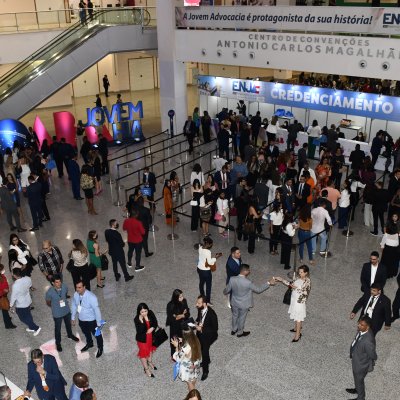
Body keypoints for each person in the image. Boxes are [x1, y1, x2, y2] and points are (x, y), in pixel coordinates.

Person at [223, 264, 275, 337]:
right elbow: (258, 290)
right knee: (242, 317)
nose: (249, 271)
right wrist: (268, 283)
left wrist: (224, 292)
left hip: (234, 302)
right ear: (244, 271)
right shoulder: (248, 282)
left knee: (234, 315)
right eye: (248, 270)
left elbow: (227, 290)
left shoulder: (232, 279)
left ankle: (234, 329)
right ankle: (240, 332)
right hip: (244, 304)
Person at [276, 265, 311, 342]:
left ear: (306, 273)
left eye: (301, 272)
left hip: (299, 303)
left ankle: (297, 335)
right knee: (297, 315)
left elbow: (293, 286)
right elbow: (293, 282)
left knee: (298, 318)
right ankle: (296, 328)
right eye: (299, 272)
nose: (300, 273)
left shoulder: (306, 282)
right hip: (295, 299)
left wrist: (282, 280)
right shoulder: (301, 278)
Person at [346, 315, 377, 400]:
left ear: (368, 326)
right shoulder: (362, 331)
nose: (359, 326)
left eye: (361, 325)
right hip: (357, 360)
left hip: (361, 365)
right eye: (359, 323)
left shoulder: (367, 341)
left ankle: (361, 397)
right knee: (357, 380)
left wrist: (369, 361)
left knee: (359, 381)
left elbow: (373, 354)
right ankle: (357, 389)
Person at [45, 275, 79, 352]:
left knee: (68, 324)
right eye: (57, 282)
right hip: (57, 313)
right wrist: (55, 306)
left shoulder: (64, 286)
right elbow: (48, 302)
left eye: (60, 281)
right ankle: (58, 343)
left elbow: (65, 294)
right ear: (53, 283)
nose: (59, 283)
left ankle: (70, 335)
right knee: (58, 328)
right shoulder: (49, 292)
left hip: (66, 310)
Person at [71, 281, 104, 358]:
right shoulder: (76, 294)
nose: (77, 289)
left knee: (97, 335)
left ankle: (100, 348)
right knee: (86, 332)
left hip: (91, 321)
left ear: (84, 287)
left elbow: (97, 310)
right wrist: (72, 317)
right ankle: (90, 343)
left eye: (79, 287)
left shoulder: (92, 297)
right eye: (76, 287)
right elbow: (74, 305)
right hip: (81, 319)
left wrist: (99, 323)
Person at [9, 268, 41, 335]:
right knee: (28, 314)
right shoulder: (27, 278)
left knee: (22, 318)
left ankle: (36, 328)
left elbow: (13, 296)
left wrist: (10, 305)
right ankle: (31, 327)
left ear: (14, 275)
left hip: (21, 304)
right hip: (28, 300)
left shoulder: (15, 285)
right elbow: (30, 286)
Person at [195, 295, 218, 381]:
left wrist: (202, 328)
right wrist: (196, 322)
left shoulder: (212, 314)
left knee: (204, 352)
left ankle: (205, 371)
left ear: (204, 304)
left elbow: (215, 328)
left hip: (208, 336)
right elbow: (199, 318)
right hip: (200, 334)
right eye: (197, 302)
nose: (196, 304)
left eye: (198, 303)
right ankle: (207, 361)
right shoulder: (200, 309)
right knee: (201, 349)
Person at [171, 327, 202, 392]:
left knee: (189, 382)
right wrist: (183, 340)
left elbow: (177, 358)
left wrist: (176, 346)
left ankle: (192, 393)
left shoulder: (185, 348)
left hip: (188, 367)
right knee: (194, 378)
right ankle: (193, 385)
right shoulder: (196, 340)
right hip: (195, 363)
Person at [134, 303, 158, 378]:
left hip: (151, 337)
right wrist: (141, 321)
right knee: (143, 354)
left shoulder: (150, 313)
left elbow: (155, 323)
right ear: (139, 312)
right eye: (142, 312)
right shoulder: (137, 319)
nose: (144, 313)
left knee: (150, 350)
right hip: (142, 340)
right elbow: (140, 331)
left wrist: (152, 328)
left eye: (145, 311)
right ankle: (146, 369)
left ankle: (150, 362)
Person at [166, 289, 191, 358]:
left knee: (184, 340)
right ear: (175, 297)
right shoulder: (170, 305)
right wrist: (182, 314)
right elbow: (173, 318)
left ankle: (182, 353)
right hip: (175, 326)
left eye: (182, 296)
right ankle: (173, 355)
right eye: (180, 297)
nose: (182, 298)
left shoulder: (184, 301)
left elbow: (188, 313)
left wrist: (181, 315)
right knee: (175, 340)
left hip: (183, 324)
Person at [197, 237, 221, 306]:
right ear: (209, 244)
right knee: (208, 286)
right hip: (206, 271)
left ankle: (202, 295)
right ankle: (207, 301)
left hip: (199, 268)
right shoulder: (208, 252)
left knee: (201, 283)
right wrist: (216, 257)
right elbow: (210, 262)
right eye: (211, 244)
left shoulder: (200, 247)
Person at [0, 263, 16, 329]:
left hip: (4, 295)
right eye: (2, 269)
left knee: (6, 306)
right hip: (1, 296)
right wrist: (3, 291)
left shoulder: (1, 276)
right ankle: (8, 325)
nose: (4, 270)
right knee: (4, 310)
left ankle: (8, 318)